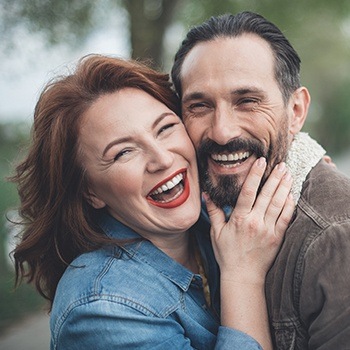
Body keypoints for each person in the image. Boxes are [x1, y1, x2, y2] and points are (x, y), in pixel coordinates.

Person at [11, 54, 295, 349]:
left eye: (165, 128)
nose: (162, 158)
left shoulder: (213, 211)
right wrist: (242, 275)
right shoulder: (103, 308)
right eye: (123, 152)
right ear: (89, 192)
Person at [171, 11, 350, 349]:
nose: (222, 131)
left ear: (295, 111)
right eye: (200, 105)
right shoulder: (188, 213)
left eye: (247, 102)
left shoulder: (336, 239)